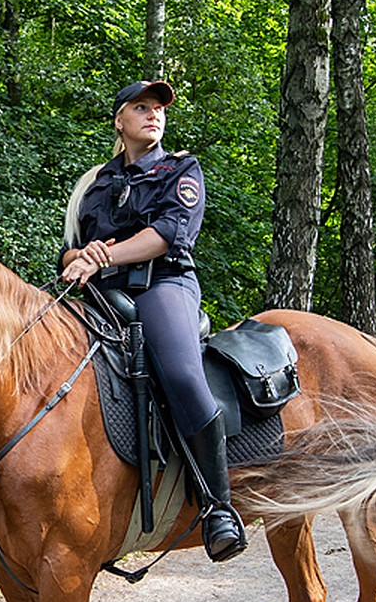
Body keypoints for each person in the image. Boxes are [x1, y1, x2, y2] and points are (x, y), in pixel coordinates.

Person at [60, 79, 246, 562]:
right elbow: (68, 252)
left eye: (159, 108)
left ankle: (217, 506)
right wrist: (81, 256)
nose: (153, 115)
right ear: (119, 120)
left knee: (183, 374)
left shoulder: (180, 168)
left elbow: (167, 234)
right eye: (140, 107)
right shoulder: (93, 184)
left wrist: (103, 256)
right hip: (100, 292)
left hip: (162, 284)